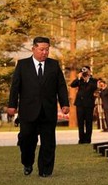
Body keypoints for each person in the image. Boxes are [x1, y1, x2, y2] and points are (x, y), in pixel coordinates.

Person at [7, 37, 69, 177]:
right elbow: (15, 87)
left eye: (47, 49)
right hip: (28, 111)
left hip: (48, 110)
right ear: (33, 49)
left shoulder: (54, 65)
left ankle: (45, 171)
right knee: (26, 139)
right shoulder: (23, 65)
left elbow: (61, 86)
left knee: (48, 142)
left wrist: (64, 103)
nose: (45, 52)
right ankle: (27, 162)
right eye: (41, 49)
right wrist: (12, 105)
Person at [70, 65, 98, 144]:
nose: (85, 73)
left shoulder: (93, 81)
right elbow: (72, 85)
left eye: (86, 71)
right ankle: (81, 139)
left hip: (89, 104)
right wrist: (79, 78)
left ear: (89, 72)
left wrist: (87, 79)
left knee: (89, 122)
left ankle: (88, 139)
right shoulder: (79, 81)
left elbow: (93, 87)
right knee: (80, 122)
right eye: (83, 72)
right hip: (80, 104)